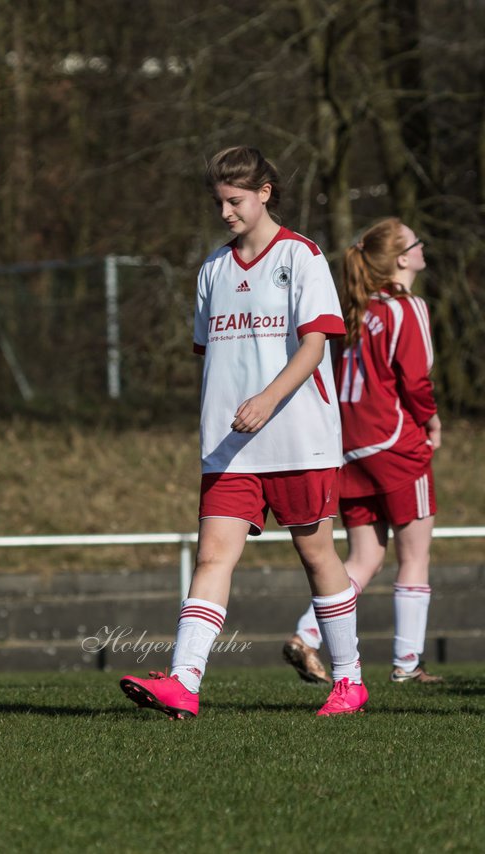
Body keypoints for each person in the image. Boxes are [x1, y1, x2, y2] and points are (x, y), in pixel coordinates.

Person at [120, 146, 367, 718]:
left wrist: (267, 399)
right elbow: (209, 354)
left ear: (265, 193)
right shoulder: (213, 268)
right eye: (219, 203)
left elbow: (315, 344)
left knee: (316, 554)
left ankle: (349, 681)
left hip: (299, 436)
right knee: (212, 557)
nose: (226, 212)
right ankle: (183, 682)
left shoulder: (303, 257)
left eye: (235, 201)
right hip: (230, 449)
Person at [282, 217, 442, 685]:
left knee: (363, 557)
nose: (422, 247)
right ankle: (407, 664)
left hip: (348, 445)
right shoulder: (405, 306)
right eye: (417, 242)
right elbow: (414, 380)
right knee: (414, 555)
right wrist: (430, 419)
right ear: (401, 259)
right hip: (394, 442)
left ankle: (306, 634)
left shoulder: (358, 307)